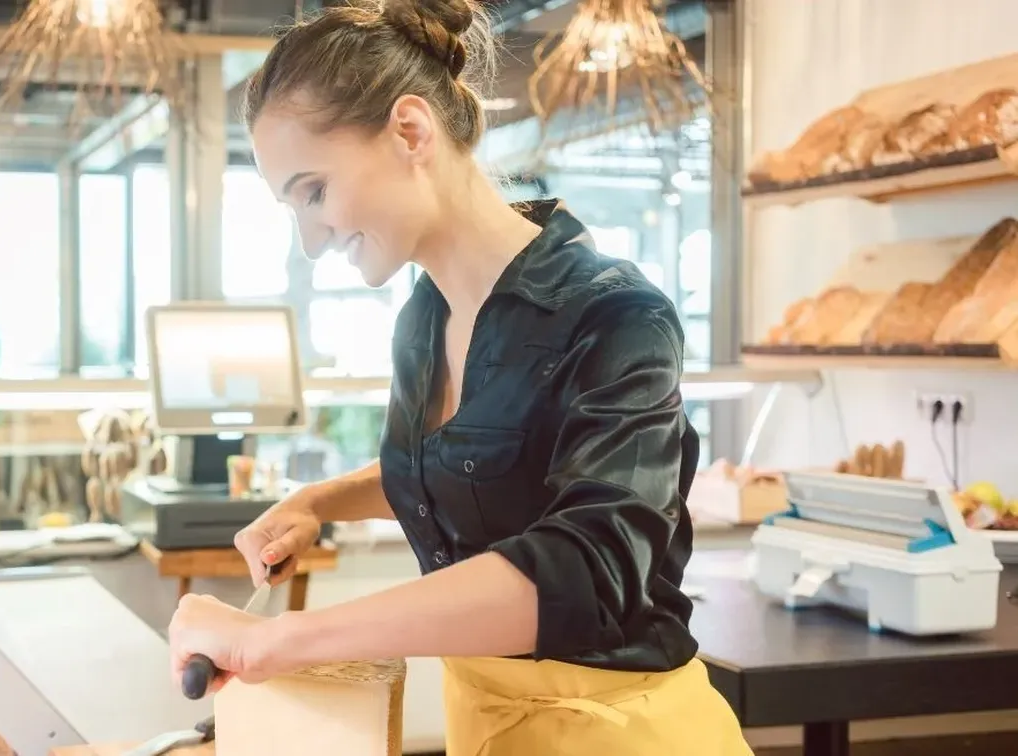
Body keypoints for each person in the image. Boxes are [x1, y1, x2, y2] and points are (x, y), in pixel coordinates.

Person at [164, 1, 752, 753]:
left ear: (411, 131)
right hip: (489, 728)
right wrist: (322, 501)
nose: (310, 241)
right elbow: (479, 466)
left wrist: (283, 641)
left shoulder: (616, 317)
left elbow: (585, 568)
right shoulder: (423, 316)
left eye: (313, 191)